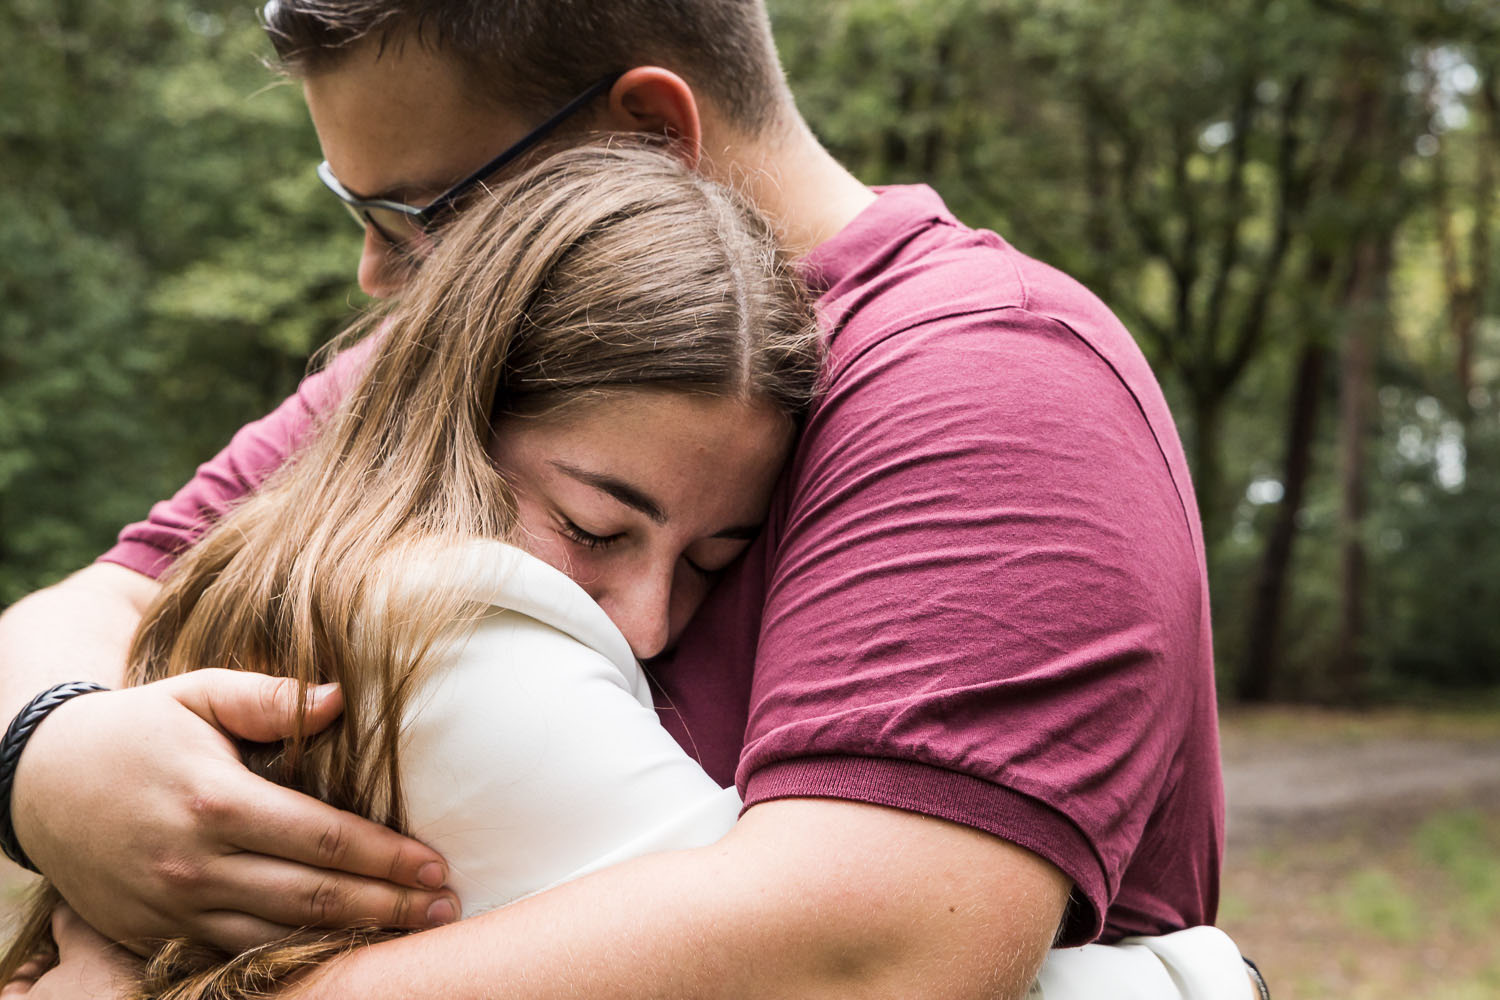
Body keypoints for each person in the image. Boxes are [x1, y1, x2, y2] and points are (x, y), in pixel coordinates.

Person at [0, 3, 1251, 998]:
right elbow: (102, 598)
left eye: (416, 210)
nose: (378, 274)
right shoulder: (462, 356)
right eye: (353, 209)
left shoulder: (983, 381)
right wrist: (49, 756)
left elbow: (868, 960)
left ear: (645, 140)